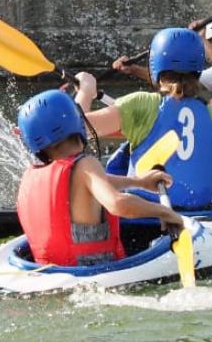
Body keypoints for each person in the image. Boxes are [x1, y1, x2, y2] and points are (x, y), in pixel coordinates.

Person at [16, 89, 182, 267]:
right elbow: (117, 204)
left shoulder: (34, 175)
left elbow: (90, 185)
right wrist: (165, 212)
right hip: (96, 275)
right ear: (77, 121)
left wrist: (138, 182)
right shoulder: (86, 164)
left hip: (46, 270)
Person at [76, 28, 212, 212]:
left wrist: (85, 90)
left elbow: (76, 131)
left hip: (145, 211)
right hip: (201, 211)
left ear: (155, 64)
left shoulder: (141, 104)